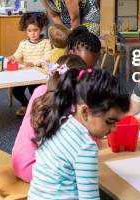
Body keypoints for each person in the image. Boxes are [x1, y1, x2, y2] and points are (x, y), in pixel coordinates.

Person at [29, 68, 130, 199]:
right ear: (85, 112)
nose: (115, 128)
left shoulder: (60, 122)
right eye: (110, 121)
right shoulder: (85, 147)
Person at [11, 54, 88, 182]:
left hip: (19, 161)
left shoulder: (40, 91)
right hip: (36, 170)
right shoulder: (70, 105)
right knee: (85, 167)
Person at [9, 12, 52, 116]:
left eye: (35, 30)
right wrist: (13, 58)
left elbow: (47, 58)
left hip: (39, 74)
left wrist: (33, 64)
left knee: (34, 91)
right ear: (26, 31)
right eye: (30, 31)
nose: (33, 33)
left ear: (41, 29)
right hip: (26, 74)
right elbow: (18, 55)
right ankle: (26, 104)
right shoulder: (23, 43)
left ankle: (37, 108)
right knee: (16, 91)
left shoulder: (46, 42)